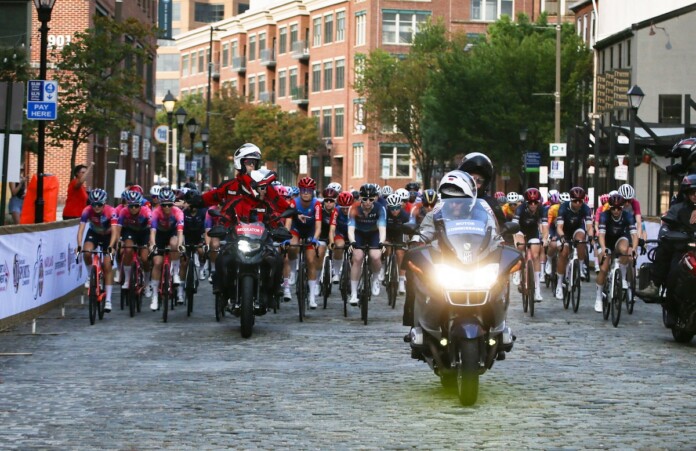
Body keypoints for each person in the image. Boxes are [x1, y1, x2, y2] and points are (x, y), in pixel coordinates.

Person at [637, 175, 696, 320]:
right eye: (692, 192)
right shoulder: (678, 209)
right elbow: (667, 226)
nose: (695, 195)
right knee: (674, 272)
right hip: (683, 250)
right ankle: (660, 292)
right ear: (687, 194)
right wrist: (676, 235)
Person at [595, 193, 638, 313]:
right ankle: (598, 297)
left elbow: (634, 235)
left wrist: (634, 249)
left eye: (618, 208)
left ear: (622, 208)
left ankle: (622, 278)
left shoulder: (628, 216)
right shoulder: (604, 215)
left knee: (625, 250)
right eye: (613, 208)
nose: (616, 211)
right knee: (604, 269)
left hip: (620, 238)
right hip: (606, 240)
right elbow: (601, 235)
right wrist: (603, 248)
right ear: (610, 208)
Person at [76, 188, 117, 312]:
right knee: (87, 252)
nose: (96, 207)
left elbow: (115, 232)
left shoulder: (111, 211)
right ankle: (90, 275)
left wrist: (111, 246)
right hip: (94, 233)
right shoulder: (87, 211)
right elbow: (81, 230)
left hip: (108, 236)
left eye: (99, 204)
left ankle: (108, 300)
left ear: (104, 203)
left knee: (107, 265)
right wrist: (79, 245)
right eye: (94, 204)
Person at [285, 176, 322, 308]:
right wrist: (285, 237)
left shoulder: (317, 204)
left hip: (311, 230)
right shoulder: (293, 203)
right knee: (292, 246)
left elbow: (318, 226)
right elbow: (288, 223)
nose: (306, 193)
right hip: (296, 228)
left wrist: (315, 239)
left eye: (309, 190)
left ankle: (312, 297)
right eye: (303, 190)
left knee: (311, 260)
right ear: (300, 191)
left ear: (313, 192)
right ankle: (293, 270)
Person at [347, 183, 387, 305]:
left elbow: (382, 229)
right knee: (357, 258)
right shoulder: (354, 208)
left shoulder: (380, 208)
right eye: (365, 199)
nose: (368, 202)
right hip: (358, 233)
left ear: (375, 198)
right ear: (360, 198)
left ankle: (375, 279)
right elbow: (350, 229)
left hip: (374, 234)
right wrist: (353, 242)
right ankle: (354, 294)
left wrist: (381, 242)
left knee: (375, 256)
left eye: (371, 199)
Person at [148, 187, 185, 311]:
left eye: (170, 204)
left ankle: (175, 273)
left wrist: (180, 245)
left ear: (173, 203)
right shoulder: (156, 212)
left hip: (172, 233)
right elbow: (152, 232)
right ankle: (154, 296)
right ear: (160, 204)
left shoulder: (178, 212)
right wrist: (153, 244)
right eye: (164, 205)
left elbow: (180, 232)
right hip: (159, 235)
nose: (167, 207)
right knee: (157, 263)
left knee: (175, 243)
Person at [555, 187, 593, 300]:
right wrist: (562, 237)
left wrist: (591, 236)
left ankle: (580, 268)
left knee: (581, 240)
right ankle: (559, 284)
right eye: (575, 201)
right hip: (564, 231)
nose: (578, 203)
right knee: (564, 253)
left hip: (577, 229)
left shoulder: (586, 208)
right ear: (571, 200)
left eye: (580, 201)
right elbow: (559, 227)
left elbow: (589, 227)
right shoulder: (563, 208)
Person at [110, 191, 152, 294]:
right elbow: (118, 228)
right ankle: (127, 279)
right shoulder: (124, 211)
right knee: (128, 250)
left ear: (140, 205)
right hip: (130, 232)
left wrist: (151, 242)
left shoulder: (146, 211)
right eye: (131, 206)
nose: (133, 208)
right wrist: (119, 241)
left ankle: (147, 283)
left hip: (144, 233)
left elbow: (152, 228)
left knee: (145, 258)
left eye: (136, 206)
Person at [512, 188, 547, 302]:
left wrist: (545, 238)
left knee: (535, 255)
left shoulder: (542, 209)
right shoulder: (520, 209)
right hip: (520, 230)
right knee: (521, 246)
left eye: (535, 202)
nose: (533, 205)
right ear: (526, 203)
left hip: (533, 232)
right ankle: (518, 271)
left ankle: (537, 290)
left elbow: (545, 228)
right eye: (530, 202)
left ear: (539, 202)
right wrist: (515, 240)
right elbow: (514, 228)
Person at [457, 152, 506, 226]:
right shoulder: (452, 201)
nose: (474, 184)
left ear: (485, 183)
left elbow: (503, 228)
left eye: (479, 181)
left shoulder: (491, 204)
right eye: (471, 179)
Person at [385, 193, 410, 294]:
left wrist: (407, 242)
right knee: (387, 246)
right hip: (388, 233)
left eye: (397, 208)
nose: (395, 210)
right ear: (388, 207)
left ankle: (401, 281)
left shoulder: (405, 215)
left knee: (400, 253)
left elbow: (407, 231)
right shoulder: (385, 213)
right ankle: (387, 266)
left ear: (400, 206)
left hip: (400, 234)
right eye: (392, 208)